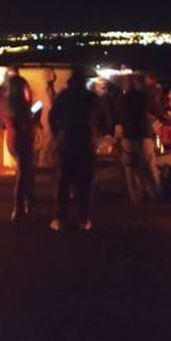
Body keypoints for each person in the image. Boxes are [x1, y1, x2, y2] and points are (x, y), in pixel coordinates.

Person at [49, 66, 98, 231]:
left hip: (67, 143)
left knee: (63, 182)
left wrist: (58, 133)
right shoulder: (91, 97)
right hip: (86, 143)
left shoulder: (63, 96)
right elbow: (104, 117)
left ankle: (60, 218)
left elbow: (52, 117)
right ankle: (83, 219)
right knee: (84, 183)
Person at [116, 74, 159, 204]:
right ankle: (154, 195)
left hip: (128, 135)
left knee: (130, 167)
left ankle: (136, 197)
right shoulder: (144, 98)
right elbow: (156, 112)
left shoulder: (122, 99)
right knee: (148, 166)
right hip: (143, 135)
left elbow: (116, 116)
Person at [3, 75, 36, 221]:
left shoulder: (6, 102)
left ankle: (24, 205)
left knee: (24, 172)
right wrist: (35, 118)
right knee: (23, 174)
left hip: (12, 140)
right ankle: (19, 208)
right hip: (22, 140)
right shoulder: (20, 105)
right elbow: (24, 125)